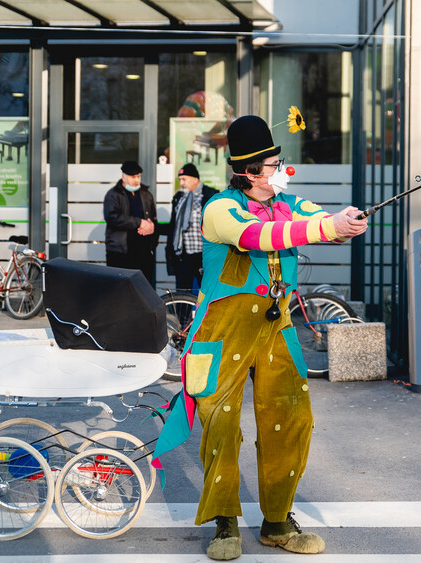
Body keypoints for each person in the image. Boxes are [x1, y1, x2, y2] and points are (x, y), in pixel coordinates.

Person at [151, 115, 368, 561]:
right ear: (249, 171)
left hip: (277, 327)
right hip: (221, 330)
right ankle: (224, 522)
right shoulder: (219, 209)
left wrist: (342, 220)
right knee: (222, 426)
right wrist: (326, 228)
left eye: (279, 162)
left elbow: (316, 218)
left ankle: (277, 522)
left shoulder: (289, 201)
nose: (281, 171)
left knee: (290, 420)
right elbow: (257, 236)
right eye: (272, 165)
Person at [103, 160, 159, 284]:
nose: (136, 180)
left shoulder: (146, 194)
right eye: (133, 177)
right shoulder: (113, 195)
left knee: (143, 289)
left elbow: (153, 220)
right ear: (123, 177)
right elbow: (112, 217)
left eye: (138, 176)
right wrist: (139, 223)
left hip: (143, 252)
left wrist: (151, 232)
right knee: (119, 290)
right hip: (121, 252)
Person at [167, 162, 218, 293]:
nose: (182, 183)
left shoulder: (210, 195)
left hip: (204, 254)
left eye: (184, 179)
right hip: (184, 255)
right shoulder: (179, 198)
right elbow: (174, 226)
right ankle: (182, 314)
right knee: (182, 293)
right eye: (180, 180)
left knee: (207, 292)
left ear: (195, 179)